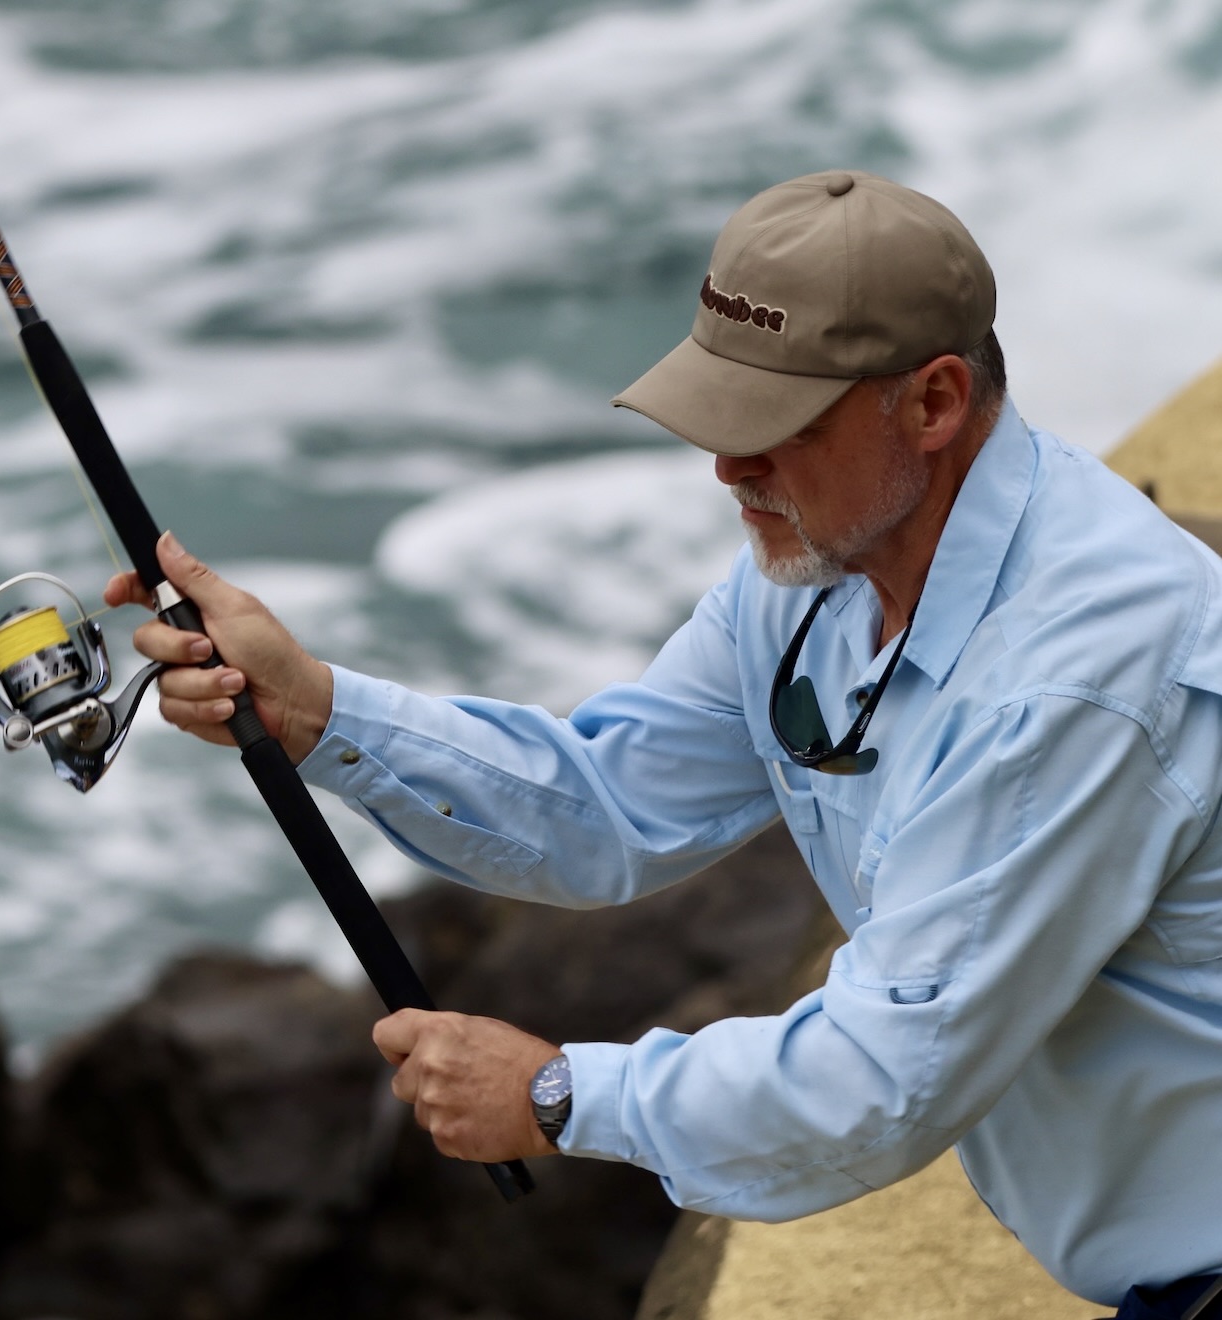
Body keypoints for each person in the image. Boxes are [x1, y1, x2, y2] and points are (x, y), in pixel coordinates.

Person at [105, 170, 1222, 1320]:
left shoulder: (1079, 675)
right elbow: (604, 803)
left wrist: (555, 1094)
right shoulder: (813, 578)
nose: (728, 471)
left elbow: (888, 1078)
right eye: (716, 420)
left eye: (773, 428)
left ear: (933, 404)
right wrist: (317, 712)